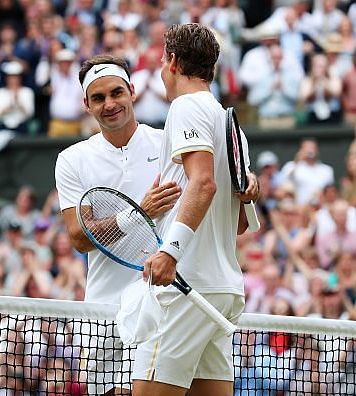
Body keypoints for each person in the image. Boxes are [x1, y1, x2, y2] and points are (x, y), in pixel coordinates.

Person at [134, 23, 258, 396]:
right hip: (221, 291)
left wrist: (169, 252)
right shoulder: (229, 123)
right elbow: (239, 222)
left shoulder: (186, 106)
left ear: (172, 61)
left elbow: (203, 183)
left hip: (186, 287)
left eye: (161, 60)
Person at [54, 54, 181, 395]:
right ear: (86, 104)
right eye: (99, 98)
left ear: (132, 92)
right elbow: (80, 237)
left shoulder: (168, 143)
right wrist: (138, 213)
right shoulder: (71, 160)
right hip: (103, 309)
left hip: (164, 303)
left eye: (116, 93)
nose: (109, 104)